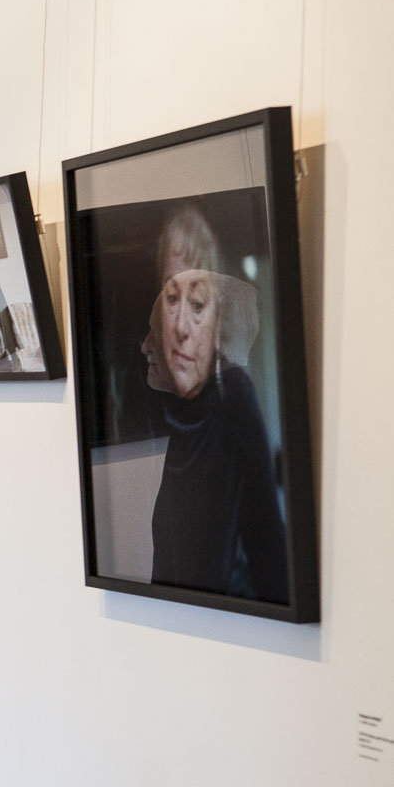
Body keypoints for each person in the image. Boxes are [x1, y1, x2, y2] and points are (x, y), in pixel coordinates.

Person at [138, 206, 288, 602]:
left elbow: (264, 559)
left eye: (198, 305)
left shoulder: (231, 401)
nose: (182, 327)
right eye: (170, 305)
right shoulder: (191, 413)